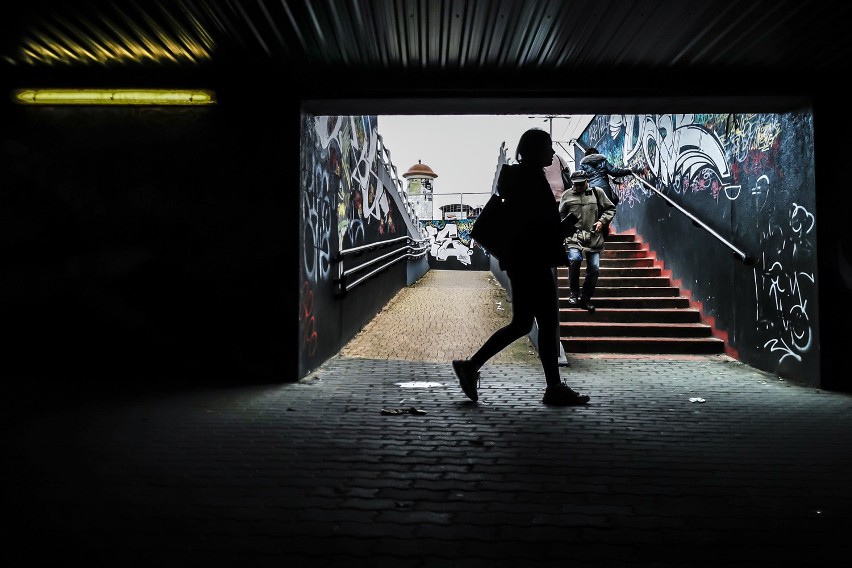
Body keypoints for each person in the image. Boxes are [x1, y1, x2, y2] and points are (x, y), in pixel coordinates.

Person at [452, 128, 590, 407]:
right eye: (548, 147)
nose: (552, 153)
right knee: (547, 323)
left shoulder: (516, 179)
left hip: (521, 262)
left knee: (522, 323)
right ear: (535, 150)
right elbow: (537, 230)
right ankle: (552, 388)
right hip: (534, 263)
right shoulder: (531, 181)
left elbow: (525, 227)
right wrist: (565, 227)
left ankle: (472, 366)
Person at [559, 169, 616, 312]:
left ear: (586, 181)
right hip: (574, 237)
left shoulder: (597, 193)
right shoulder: (567, 195)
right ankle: (573, 293)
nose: (577, 187)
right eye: (575, 184)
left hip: (593, 237)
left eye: (580, 184)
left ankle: (585, 298)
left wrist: (602, 221)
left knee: (594, 269)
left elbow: (610, 209)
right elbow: (560, 216)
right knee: (574, 259)